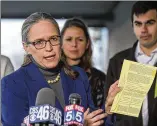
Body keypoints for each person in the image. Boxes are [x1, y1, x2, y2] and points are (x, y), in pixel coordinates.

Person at [1, 12, 119, 126]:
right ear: (26, 47)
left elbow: (93, 120)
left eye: (53, 39)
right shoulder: (11, 84)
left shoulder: (78, 75)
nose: (49, 48)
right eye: (39, 42)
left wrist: (108, 110)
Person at [105, 1, 157, 126]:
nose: (143, 30)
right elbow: (108, 115)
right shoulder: (117, 62)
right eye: (138, 24)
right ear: (133, 26)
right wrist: (108, 107)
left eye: (149, 23)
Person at [61, 17, 106, 108]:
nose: (74, 44)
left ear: (87, 44)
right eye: (69, 39)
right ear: (61, 43)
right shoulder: (50, 75)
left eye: (80, 40)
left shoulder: (100, 78)